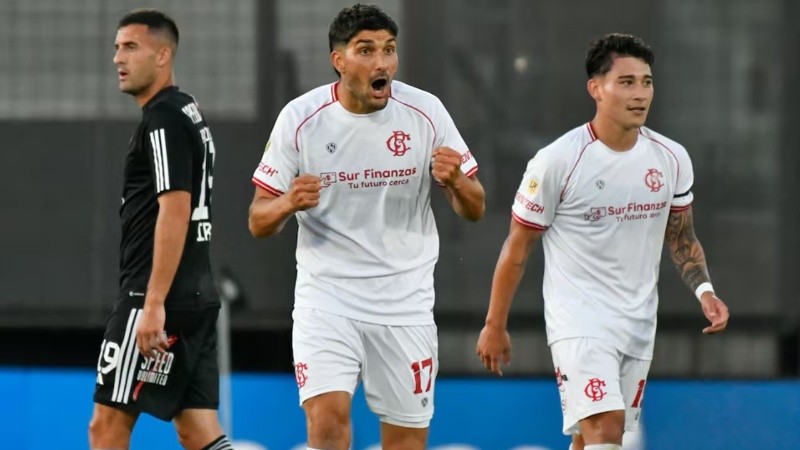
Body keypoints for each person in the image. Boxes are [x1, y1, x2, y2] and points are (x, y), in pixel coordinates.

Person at [475, 33, 729, 450]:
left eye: (646, 82)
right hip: (579, 320)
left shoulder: (671, 158)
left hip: (638, 322)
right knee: (606, 430)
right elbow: (517, 248)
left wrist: (705, 291)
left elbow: (682, 237)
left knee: (592, 438)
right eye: (626, 82)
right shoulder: (558, 160)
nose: (640, 93)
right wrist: (494, 324)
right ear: (596, 88)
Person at [248, 4, 485, 450]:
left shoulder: (426, 112)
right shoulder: (300, 119)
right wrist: (286, 203)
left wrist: (455, 181)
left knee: (405, 443)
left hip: (404, 303)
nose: (382, 63)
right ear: (339, 61)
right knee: (327, 424)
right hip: (327, 299)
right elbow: (258, 220)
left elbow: (475, 207)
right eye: (366, 50)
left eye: (389, 50)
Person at [89, 9, 232, 450]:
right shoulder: (187, 110)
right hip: (196, 294)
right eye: (116, 47)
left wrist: (152, 304)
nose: (118, 57)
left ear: (164, 55)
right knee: (197, 429)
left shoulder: (164, 118)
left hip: (154, 297)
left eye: (131, 47)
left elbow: (176, 209)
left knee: (107, 426)